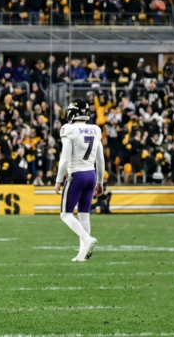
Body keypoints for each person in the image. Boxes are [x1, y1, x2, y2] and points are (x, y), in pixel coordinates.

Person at [55, 101, 104, 263]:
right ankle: (83, 253)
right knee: (84, 215)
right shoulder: (95, 129)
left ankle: (87, 239)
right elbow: (100, 159)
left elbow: (65, 159)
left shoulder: (68, 129)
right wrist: (100, 181)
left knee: (65, 214)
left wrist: (58, 179)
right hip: (91, 175)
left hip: (77, 175)